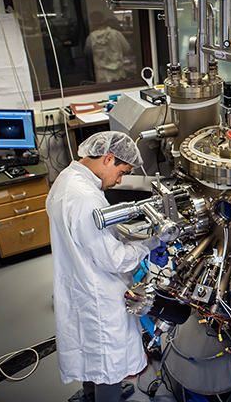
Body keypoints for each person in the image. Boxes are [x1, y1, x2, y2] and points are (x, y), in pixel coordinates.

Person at [47, 131, 161, 402]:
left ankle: (90, 394)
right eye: (121, 172)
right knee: (108, 359)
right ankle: (105, 395)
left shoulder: (66, 179)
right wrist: (150, 243)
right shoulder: (87, 198)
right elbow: (114, 259)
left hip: (78, 281)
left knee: (91, 350)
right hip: (99, 293)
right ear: (109, 158)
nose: (120, 180)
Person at [84, 12, 132, 83]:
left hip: (102, 76)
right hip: (119, 74)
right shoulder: (116, 34)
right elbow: (127, 49)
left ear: (91, 22)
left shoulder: (90, 38)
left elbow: (87, 54)